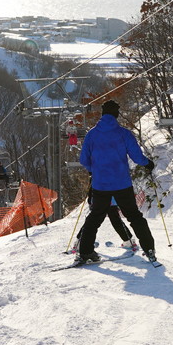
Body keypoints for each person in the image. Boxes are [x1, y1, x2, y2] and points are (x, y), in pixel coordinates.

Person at [75, 99, 158, 265]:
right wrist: (148, 163)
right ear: (116, 114)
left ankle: (85, 252)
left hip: (100, 185)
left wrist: (94, 170)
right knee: (134, 216)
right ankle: (149, 249)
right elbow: (137, 157)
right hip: (121, 183)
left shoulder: (92, 134)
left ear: (102, 114)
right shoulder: (124, 133)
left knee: (95, 218)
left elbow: (84, 159)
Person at [67, 197, 141, 255]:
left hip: (99, 198)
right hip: (111, 199)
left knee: (92, 221)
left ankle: (80, 242)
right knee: (115, 220)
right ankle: (129, 241)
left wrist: (90, 199)